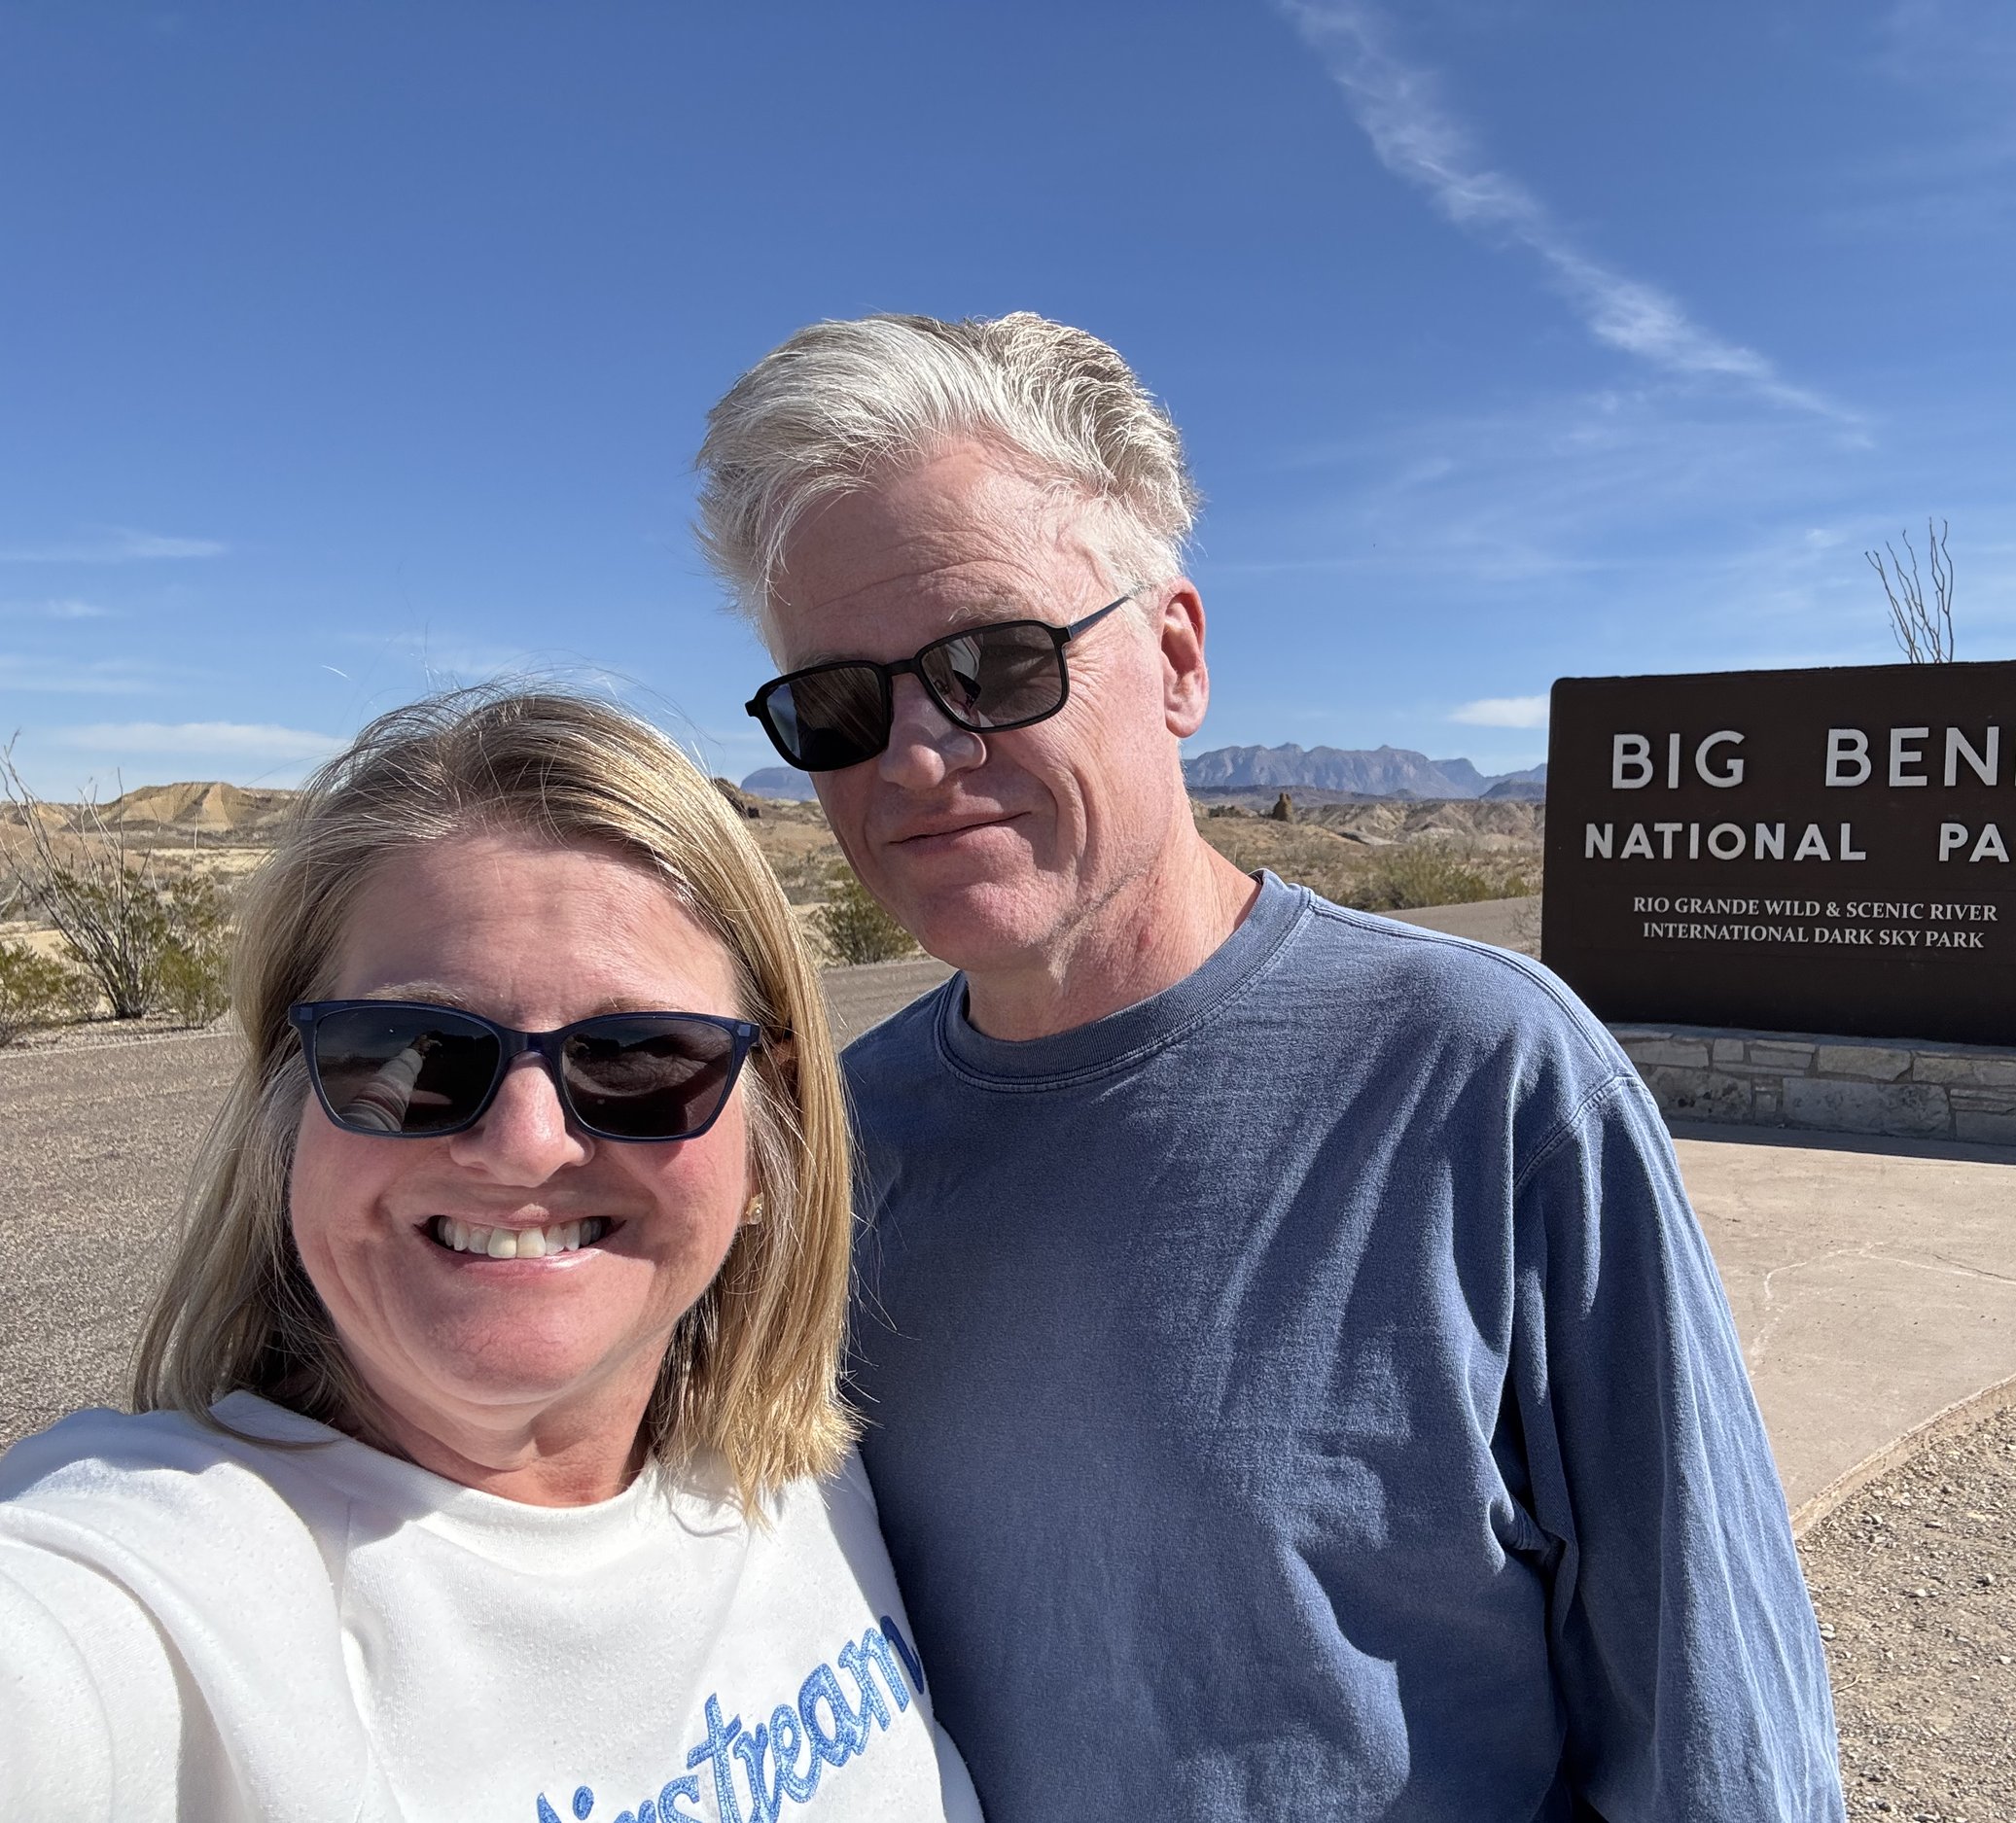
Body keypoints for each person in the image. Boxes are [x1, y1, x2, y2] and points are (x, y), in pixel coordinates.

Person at [697, 314, 1845, 1820]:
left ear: (1174, 659)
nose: (914, 754)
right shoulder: (834, 1146)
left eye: (990, 661)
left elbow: (1721, 1739)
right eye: (840, 703)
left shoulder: (1485, 1081)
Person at [0, 691, 981, 1822]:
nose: (523, 1143)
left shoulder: (795, 1479)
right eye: (414, 1051)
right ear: (289, 1113)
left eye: (642, 1056)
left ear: (772, 1139)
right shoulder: (164, 1593)